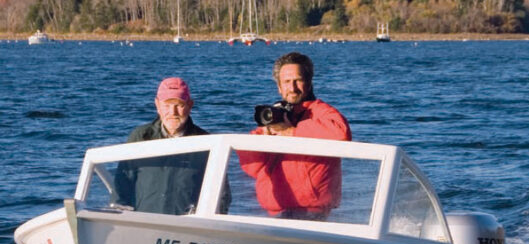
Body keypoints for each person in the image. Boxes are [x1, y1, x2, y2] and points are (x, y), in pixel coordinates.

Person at [238, 52, 352, 220]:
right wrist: (266, 135)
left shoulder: (321, 112)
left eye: (297, 80)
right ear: (279, 87)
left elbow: (341, 133)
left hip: (313, 212)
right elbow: (251, 167)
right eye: (286, 82)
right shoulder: (275, 117)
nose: (292, 88)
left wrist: (292, 132)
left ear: (309, 82)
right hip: (276, 212)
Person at [111, 77, 229, 214]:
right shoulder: (140, 137)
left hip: (188, 227)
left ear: (190, 105)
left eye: (179, 105)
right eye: (167, 105)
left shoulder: (207, 143)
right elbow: (122, 184)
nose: (172, 112)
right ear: (157, 105)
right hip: (144, 222)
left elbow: (221, 193)